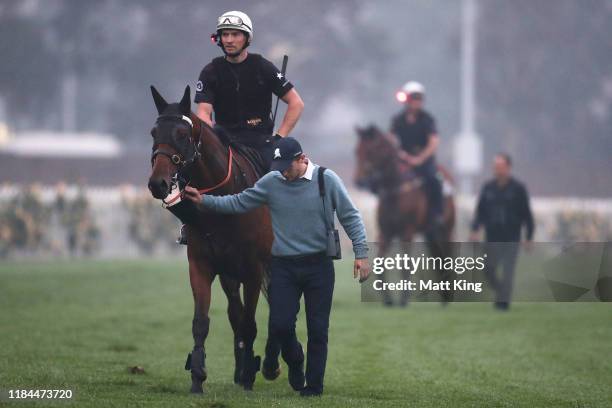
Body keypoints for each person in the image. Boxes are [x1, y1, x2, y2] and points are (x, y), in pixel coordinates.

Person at [182, 137, 370, 396]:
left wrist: (361, 253)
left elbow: (350, 216)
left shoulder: (328, 180)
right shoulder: (272, 182)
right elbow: (239, 202)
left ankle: (313, 387)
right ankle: (295, 358)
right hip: (283, 266)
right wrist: (205, 201)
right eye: (279, 166)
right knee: (280, 326)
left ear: (302, 158)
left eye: (287, 167)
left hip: (319, 267)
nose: (283, 172)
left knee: (318, 329)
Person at [178, 10, 305, 245]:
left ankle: (290, 228)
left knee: (286, 175)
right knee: (186, 172)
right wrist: (210, 133)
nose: (228, 39)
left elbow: (296, 103)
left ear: (247, 38)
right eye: (224, 34)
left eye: (235, 34)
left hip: (261, 141)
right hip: (224, 141)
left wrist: (279, 137)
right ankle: (189, 224)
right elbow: (203, 113)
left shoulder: (263, 67)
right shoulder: (210, 71)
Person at [470, 153, 534, 310]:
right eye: (495, 167)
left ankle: (503, 303)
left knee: (508, 270)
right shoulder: (488, 188)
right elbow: (480, 212)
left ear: (508, 168)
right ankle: (501, 292)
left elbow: (527, 214)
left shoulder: (518, 189)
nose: (497, 170)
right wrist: (475, 229)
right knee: (488, 269)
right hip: (492, 236)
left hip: (511, 236)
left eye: (500, 167)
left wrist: (529, 237)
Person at [390, 81, 443, 236]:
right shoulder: (398, 120)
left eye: (419, 98)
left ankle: (437, 215)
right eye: (413, 98)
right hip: (403, 161)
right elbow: (391, 139)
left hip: (424, 162)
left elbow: (433, 142)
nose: (416, 102)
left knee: (434, 180)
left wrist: (420, 158)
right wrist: (401, 155)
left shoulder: (427, 119)